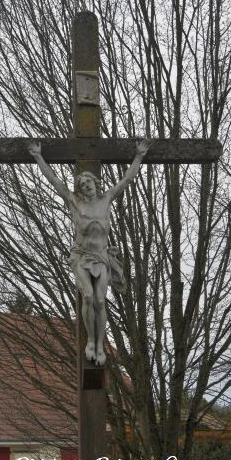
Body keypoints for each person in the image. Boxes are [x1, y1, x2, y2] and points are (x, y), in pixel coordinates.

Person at [28, 140, 150, 365]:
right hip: (82, 256)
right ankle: (91, 342)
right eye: (82, 184)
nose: (86, 186)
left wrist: (139, 156)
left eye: (88, 182)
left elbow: (127, 179)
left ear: (95, 183)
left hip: (101, 257)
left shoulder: (106, 199)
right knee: (88, 296)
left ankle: (100, 344)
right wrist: (38, 156)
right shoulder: (75, 202)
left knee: (101, 301)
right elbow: (54, 181)